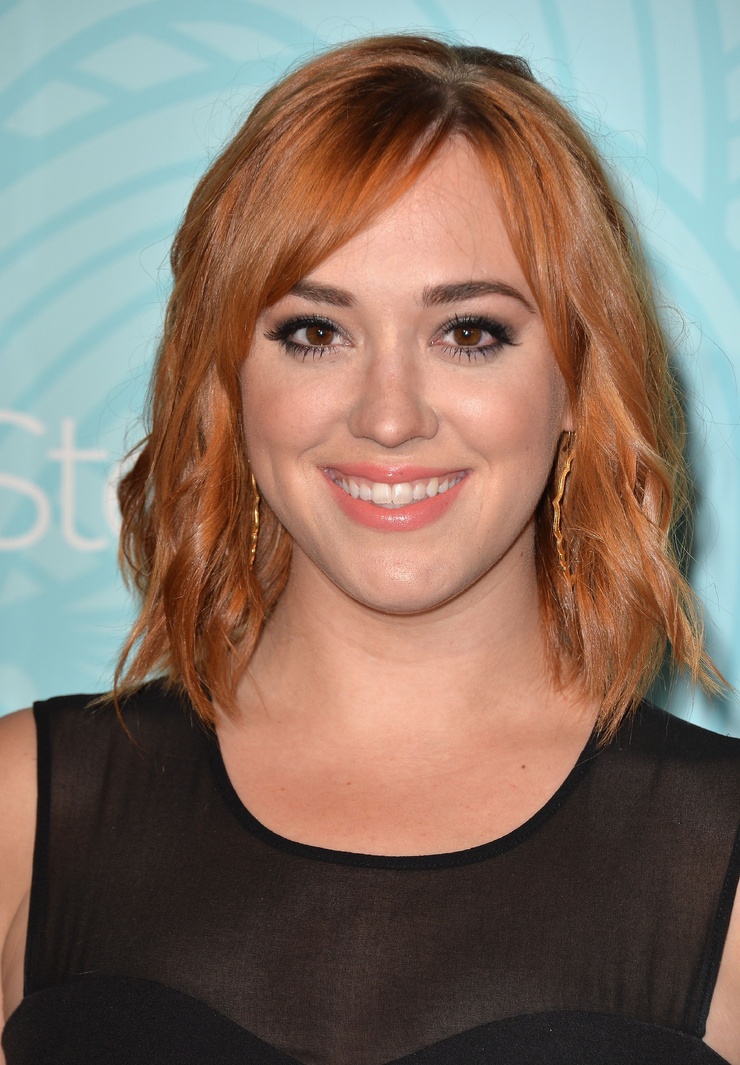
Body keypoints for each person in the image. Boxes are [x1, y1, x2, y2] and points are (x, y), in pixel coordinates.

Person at [0, 33, 738, 1065]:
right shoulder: (25, 809)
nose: (389, 416)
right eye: (315, 331)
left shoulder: (721, 857)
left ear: (576, 376)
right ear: (228, 379)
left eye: (468, 332)